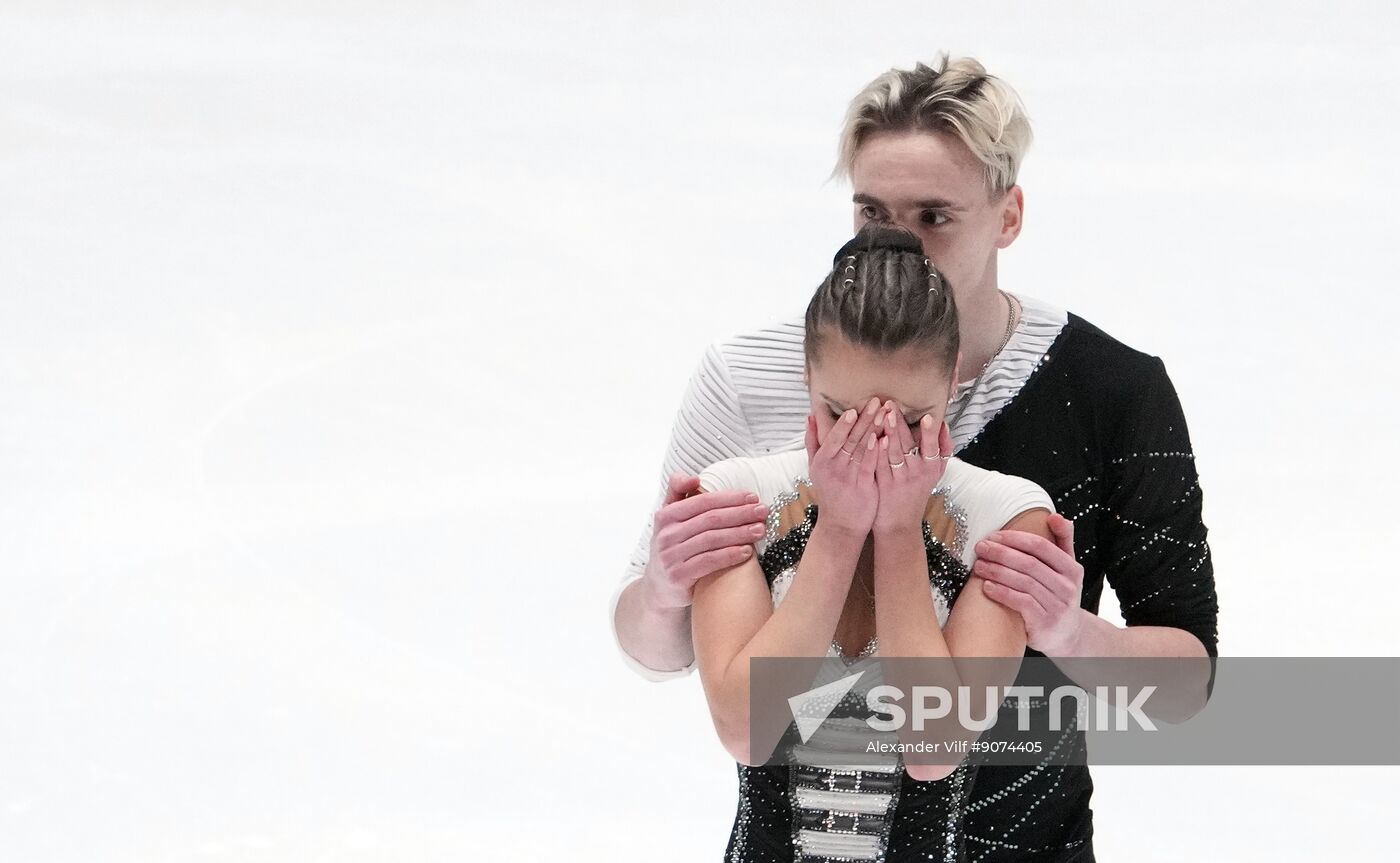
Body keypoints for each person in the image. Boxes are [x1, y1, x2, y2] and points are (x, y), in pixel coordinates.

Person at [610, 55, 1219, 861]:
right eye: (872, 213)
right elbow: (664, 654)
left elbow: (1184, 688)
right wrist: (661, 586)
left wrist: (1070, 634)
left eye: (935, 215)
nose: (898, 244)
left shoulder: (1110, 392)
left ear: (1008, 215)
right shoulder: (748, 381)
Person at [692, 223, 1057, 862]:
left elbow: (934, 747)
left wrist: (894, 530)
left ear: (951, 387)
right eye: (842, 416)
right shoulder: (737, 499)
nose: (875, 446)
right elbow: (749, 730)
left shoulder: (1006, 516)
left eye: (911, 422)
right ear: (807, 380)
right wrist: (836, 527)